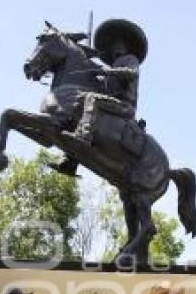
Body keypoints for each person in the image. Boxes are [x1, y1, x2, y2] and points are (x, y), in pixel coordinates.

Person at [50, 18, 146, 177]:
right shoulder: (114, 65)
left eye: (118, 46)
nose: (115, 49)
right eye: (113, 47)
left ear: (125, 46)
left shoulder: (130, 60)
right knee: (80, 109)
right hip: (110, 103)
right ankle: (70, 161)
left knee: (92, 100)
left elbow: (131, 73)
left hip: (124, 105)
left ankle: (83, 137)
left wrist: (107, 72)